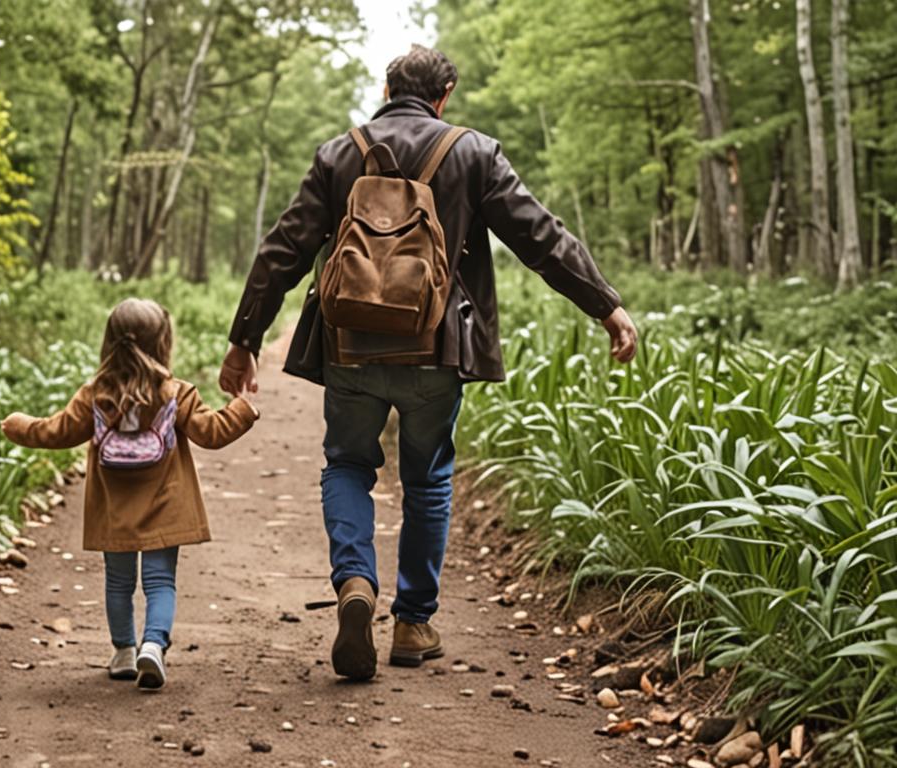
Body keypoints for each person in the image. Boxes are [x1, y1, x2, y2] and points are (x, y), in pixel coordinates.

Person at [218, 45, 638, 681]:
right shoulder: (473, 152)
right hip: (436, 349)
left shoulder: (338, 154)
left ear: (387, 88)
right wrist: (605, 305)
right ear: (445, 95)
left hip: (351, 347)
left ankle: (357, 583)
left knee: (348, 465)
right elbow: (539, 236)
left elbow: (285, 248)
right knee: (429, 479)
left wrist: (245, 338)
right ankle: (414, 621)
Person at [3, 298, 259, 690]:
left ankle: (123, 651)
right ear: (164, 344)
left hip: (114, 510)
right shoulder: (177, 393)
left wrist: (20, 425)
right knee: (160, 583)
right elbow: (212, 433)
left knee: (118, 583)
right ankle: (153, 647)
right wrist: (243, 409)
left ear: (109, 343)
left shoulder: (96, 395)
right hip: (165, 508)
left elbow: (56, 432)